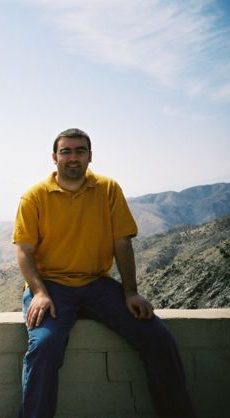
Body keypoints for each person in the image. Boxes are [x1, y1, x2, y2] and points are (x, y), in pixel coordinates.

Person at [12, 128, 196, 418]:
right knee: (45, 346)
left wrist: (130, 291)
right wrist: (39, 292)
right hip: (51, 287)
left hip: (97, 284)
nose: (73, 158)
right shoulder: (34, 196)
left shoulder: (108, 189)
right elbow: (23, 249)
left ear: (90, 156)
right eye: (66, 151)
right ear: (54, 157)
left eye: (80, 151)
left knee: (157, 337)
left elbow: (121, 243)